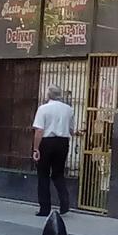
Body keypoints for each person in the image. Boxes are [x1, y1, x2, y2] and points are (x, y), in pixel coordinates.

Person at [32, 85, 74, 217]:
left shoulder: (43, 109)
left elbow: (39, 130)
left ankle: (45, 208)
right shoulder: (69, 109)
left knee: (43, 174)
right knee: (58, 173)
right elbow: (71, 129)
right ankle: (64, 203)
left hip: (47, 142)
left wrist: (36, 148)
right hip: (63, 142)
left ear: (48, 95)